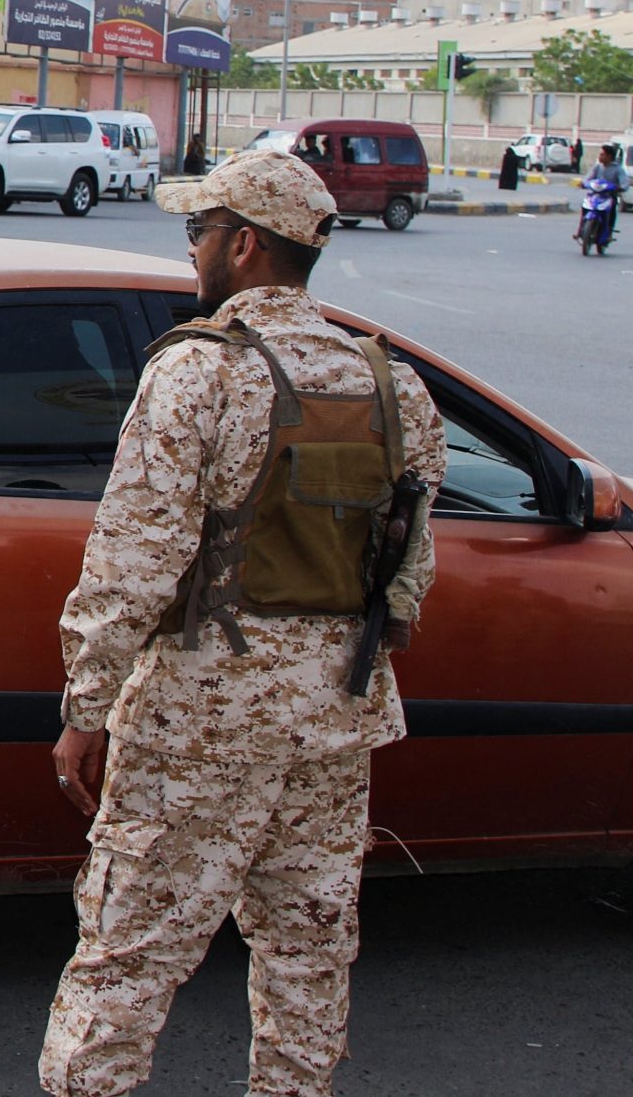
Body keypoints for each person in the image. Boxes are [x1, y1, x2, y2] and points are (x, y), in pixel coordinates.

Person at [41, 150, 446, 1097]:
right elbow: (411, 567)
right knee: (309, 959)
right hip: (335, 723)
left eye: (199, 233)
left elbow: (134, 557)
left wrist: (86, 706)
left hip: (200, 722)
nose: (192, 254)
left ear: (247, 244)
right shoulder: (390, 381)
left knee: (126, 958)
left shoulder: (201, 372)